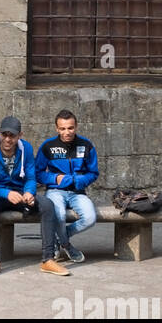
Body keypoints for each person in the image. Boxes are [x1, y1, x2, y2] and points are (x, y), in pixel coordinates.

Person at [0, 115, 68, 277]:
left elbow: (31, 178)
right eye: (4, 134)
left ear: (20, 135)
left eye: (12, 135)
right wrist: (6, 193)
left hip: (18, 193)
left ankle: (48, 259)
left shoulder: (25, 149)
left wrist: (29, 192)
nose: (7, 139)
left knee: (47, 205)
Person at [35, 109, 99, 264]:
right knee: (59, 216)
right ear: (57, 129)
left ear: (76, 126)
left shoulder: (86, 145)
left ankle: (59, 238)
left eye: (70, 128)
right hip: (55, 191)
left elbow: (93, 173)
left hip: (78, 192)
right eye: (62, 128)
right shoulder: (48, 146)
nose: (67, 132)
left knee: (90, 218)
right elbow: (38, 173)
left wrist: (78, 181)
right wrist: (56, 178)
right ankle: (67, 245)